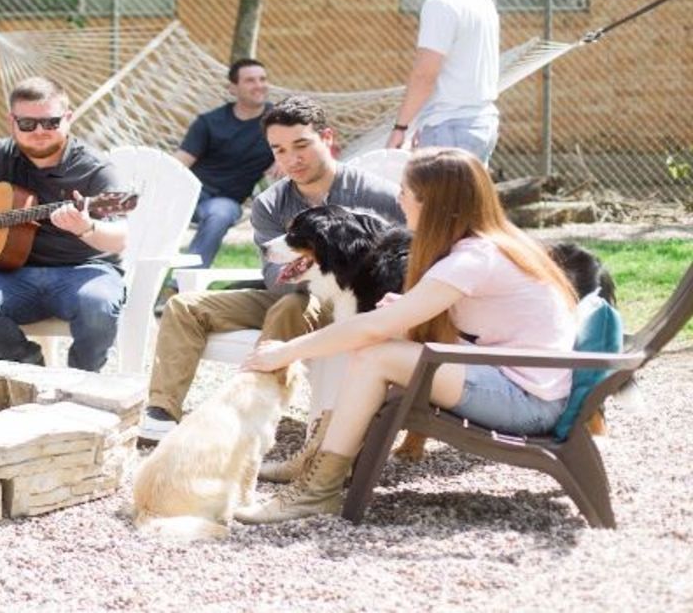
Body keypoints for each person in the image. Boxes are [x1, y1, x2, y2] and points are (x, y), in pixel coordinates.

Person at [235, 147, 578, 524]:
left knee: (374, 354)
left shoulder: (472, 258)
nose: (398, 199)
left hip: (526, 402)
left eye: (405, 192)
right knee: (380, 346)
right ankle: (317, 469)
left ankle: (317, 490)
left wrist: (285, 352)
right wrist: (407, 307)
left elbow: (371, 328)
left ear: (433, 202)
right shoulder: (490, 244)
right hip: (522, 384)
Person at [140, 96, 405, 456]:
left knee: (288, 308)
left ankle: (249, 418)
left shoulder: (379, 196)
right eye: (279, 150)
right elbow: (273, 277)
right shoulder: (270, 204)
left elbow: (411, 255)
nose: (291, 159)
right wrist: (305, 265)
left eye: (301, 145)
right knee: (185, 307)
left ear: (327, 138)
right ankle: (161, 414)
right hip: (297, 294)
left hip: (357, 305)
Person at [0, 76, 128, 371]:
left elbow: (120, 237)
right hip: (13, 274)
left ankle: (82, 382)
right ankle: (29, 371)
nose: (39, 131)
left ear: (68, 118)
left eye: (51, 122)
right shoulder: (0, 155)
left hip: (84, 271)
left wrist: (86, 228)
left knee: (97, 305)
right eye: (27, 124)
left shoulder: (95, 169)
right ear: (12, 121)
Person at [387, 0, 502, 164]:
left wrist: (401, 127)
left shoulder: (441, 3)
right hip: (481, 123)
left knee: (431, 192)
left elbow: (425, 74)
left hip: (451, 128)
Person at [175, 58, 276, 274]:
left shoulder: (278, 122)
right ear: (233, 88)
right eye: (250, 80)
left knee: (219, 214)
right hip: (191, 194)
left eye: (262, 79)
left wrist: (283, 157)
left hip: (226, 201)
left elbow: (313, 141)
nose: (259, 85)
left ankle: (183, 282)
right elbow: (179, 164)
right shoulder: (210, 122)